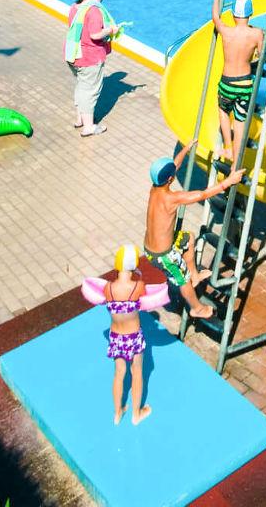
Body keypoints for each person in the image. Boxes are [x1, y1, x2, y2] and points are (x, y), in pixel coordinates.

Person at [145, 145, 244, 319]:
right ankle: (196, 308)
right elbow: (202, 194)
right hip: (163, 256)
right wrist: (228, 181)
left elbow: (174, 166)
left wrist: (187, 148)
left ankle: (195, 275)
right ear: (170, 178)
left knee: (188, 238)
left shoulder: (155, 189)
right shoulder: (172, 198)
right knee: (183, 279)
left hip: (153, 248)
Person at [84, 246, 157, 425]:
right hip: (133, 337)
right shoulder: (137, 286)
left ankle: (118, 413)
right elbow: (146, 300)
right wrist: (137, 275)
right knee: (137, 372)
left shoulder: (108, 288)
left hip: (116, 337)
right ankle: (136, 414)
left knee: (119, 373)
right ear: (134, 265)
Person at [209, 0, 266, 166]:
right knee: (241, 122)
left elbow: (215, 18)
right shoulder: (257, 33)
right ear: (250, 14)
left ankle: (227, 147)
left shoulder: (226, 31)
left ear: (234, 15)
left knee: (223, 111)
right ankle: (236, 163)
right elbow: (262, 55)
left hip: (227, 82)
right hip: (244, 84)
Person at [67, 0, 122, 134]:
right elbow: (95, 34)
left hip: (73, 54)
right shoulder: (94, 11)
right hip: (89, 58)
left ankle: (80, 119)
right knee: (90, 91)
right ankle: (88, 127)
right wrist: (111, 30)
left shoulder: (75, 7)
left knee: (81, 87)